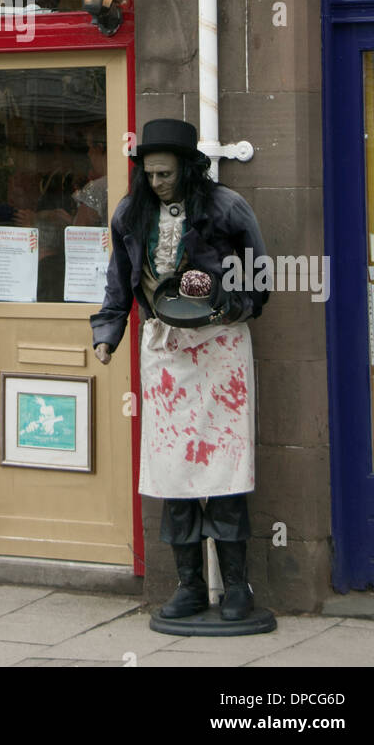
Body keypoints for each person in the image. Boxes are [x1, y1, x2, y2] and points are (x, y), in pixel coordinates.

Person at [91, 118, 270, 623]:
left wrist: (232, 305)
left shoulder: (228, 208)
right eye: (150, 174)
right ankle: (190, 586)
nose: (158, 183)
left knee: (227, 465)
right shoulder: (130, 214)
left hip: (221, 347)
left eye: (167, 174)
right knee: (173, 472)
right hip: (165, 351)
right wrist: (108, 335)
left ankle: (237, 587)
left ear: (190, 169)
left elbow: (259, 275)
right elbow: (118, 282)